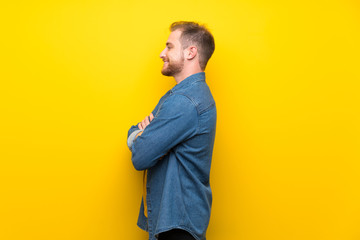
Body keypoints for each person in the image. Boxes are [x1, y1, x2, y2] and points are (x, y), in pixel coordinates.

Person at [127, 21, 216, 240]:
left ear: (190, 52)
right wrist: (141, 135)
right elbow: (139, 134)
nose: (161, 53)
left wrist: (140, 137)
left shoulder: (185, 101)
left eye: (169, 46)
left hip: (177, 227)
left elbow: (141, 156)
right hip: (176, 222)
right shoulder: (179, 96)